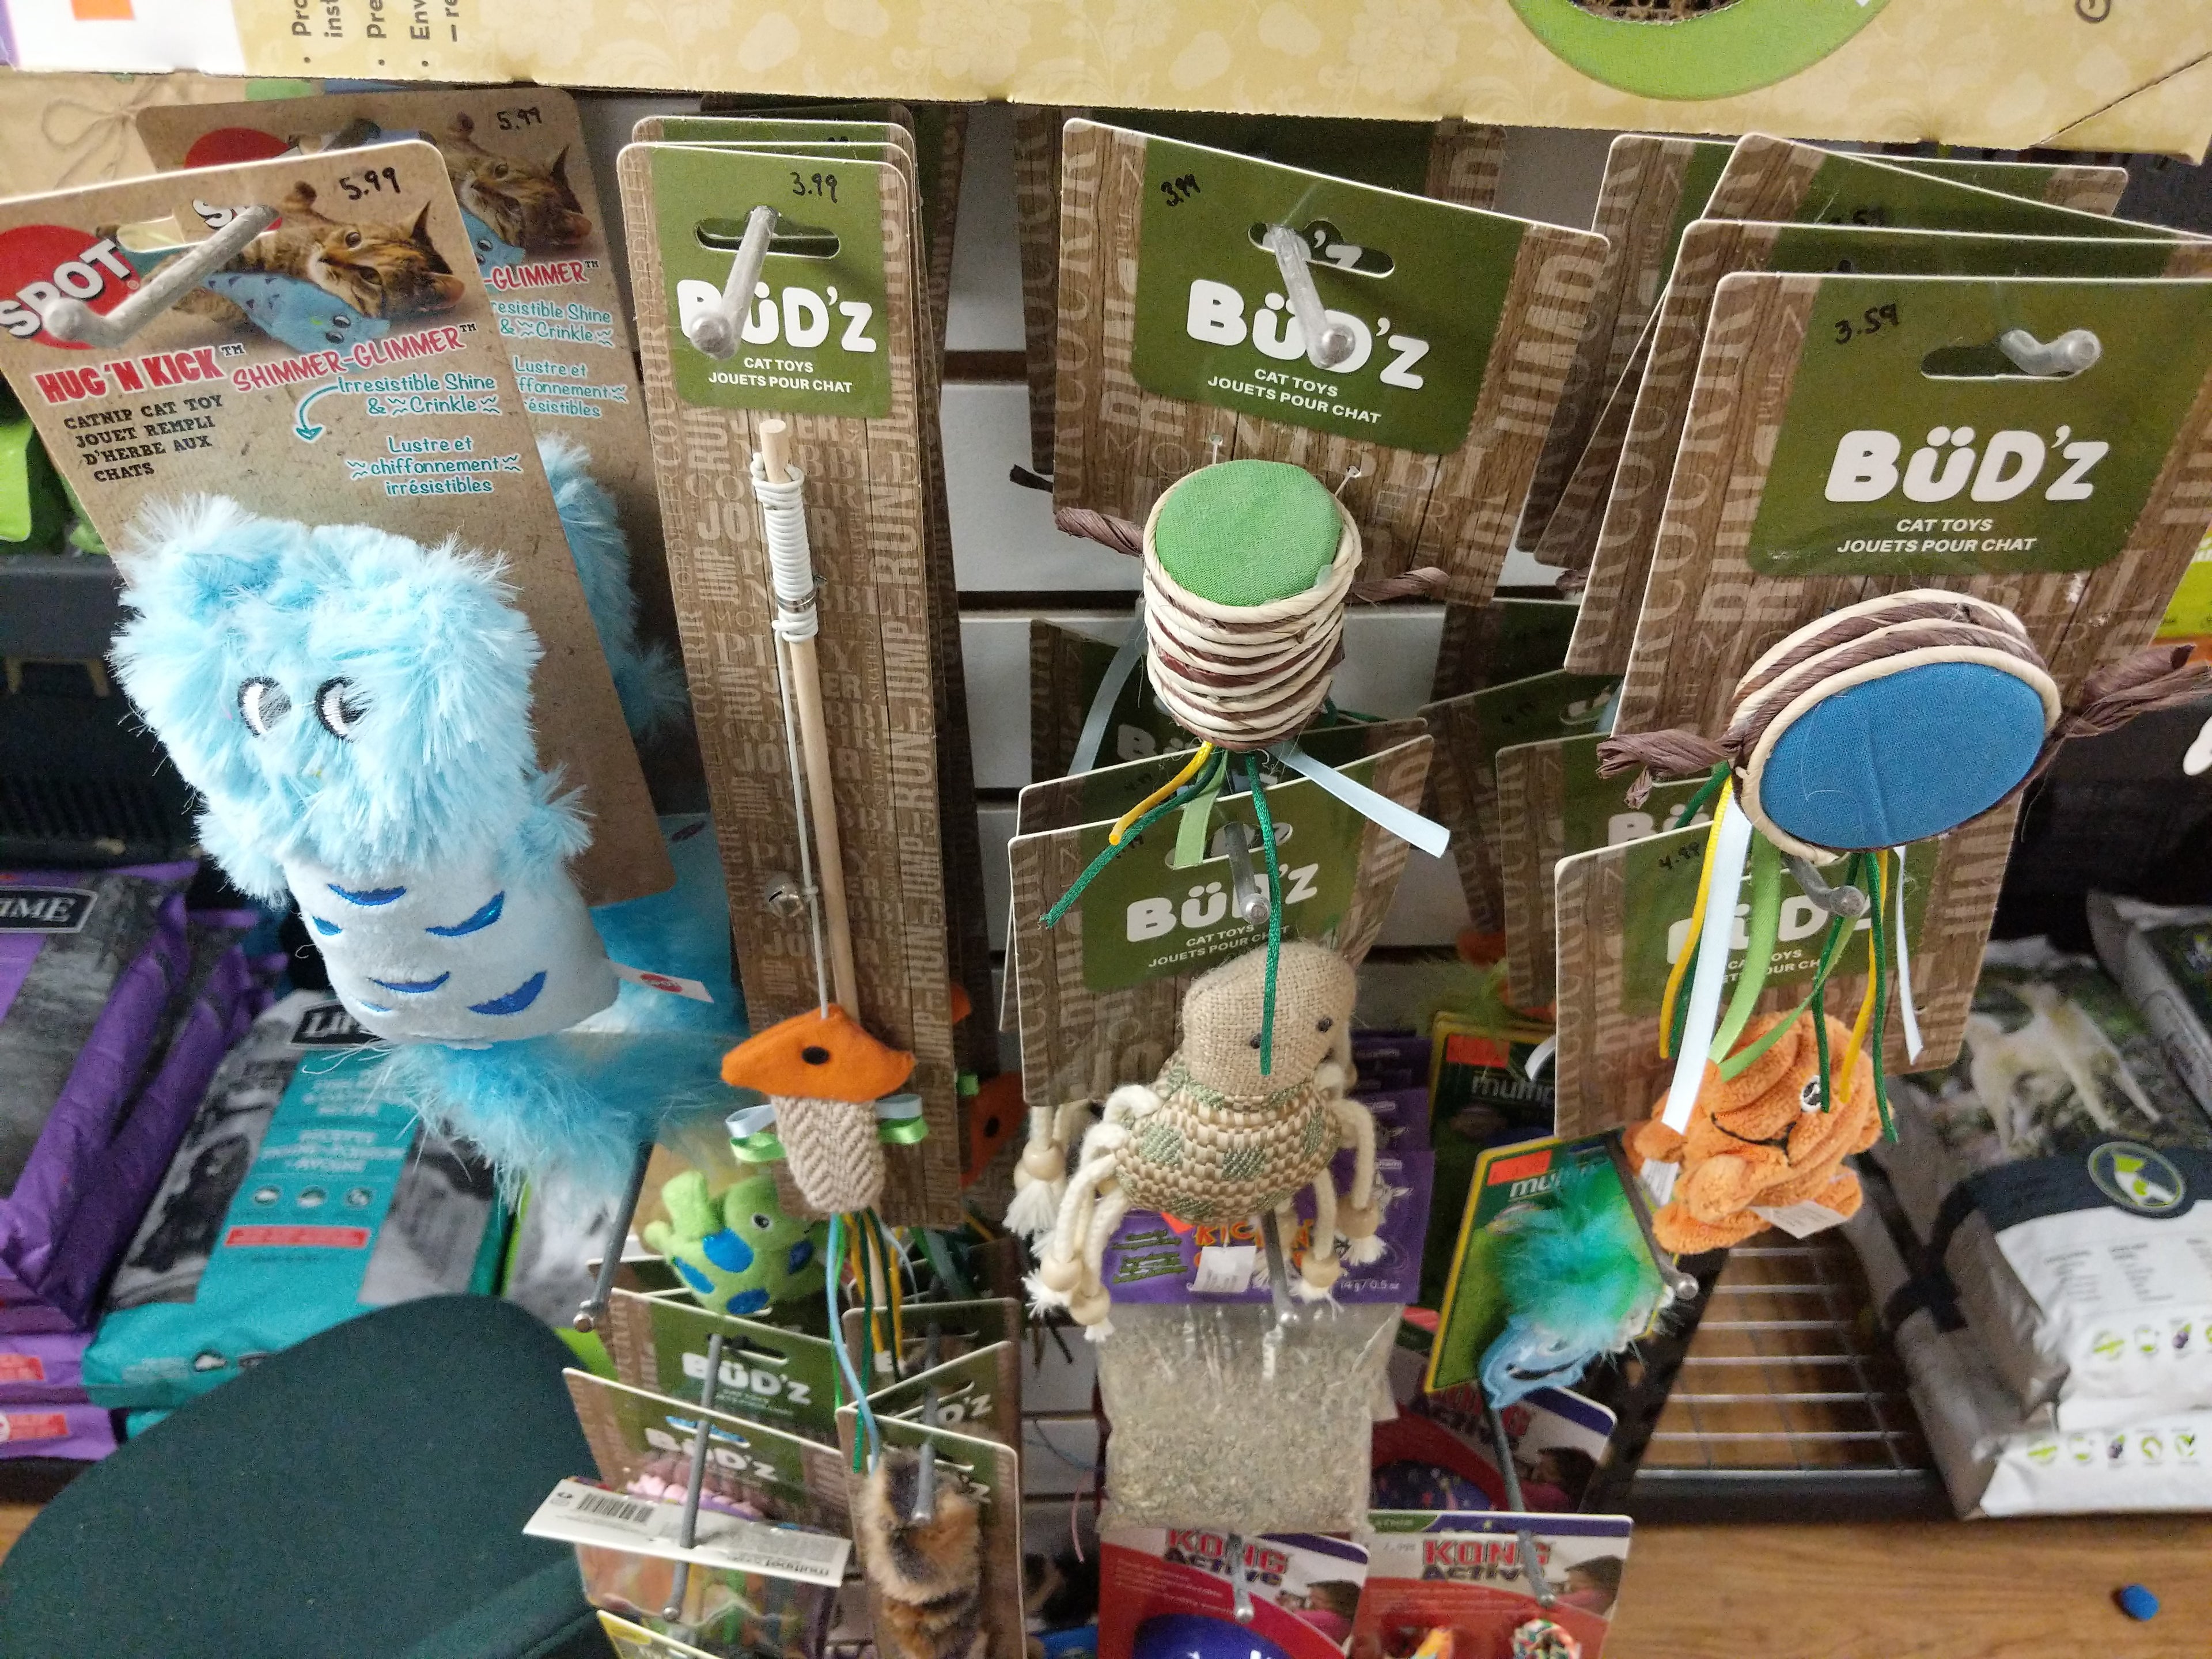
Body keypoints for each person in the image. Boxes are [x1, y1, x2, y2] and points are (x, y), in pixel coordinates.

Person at [1556, 1555, 1622, 1616]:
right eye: (1569, 1581)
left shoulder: (1597, 1594)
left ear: (1600, 1584)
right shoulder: (1601, 1594)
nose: (1572, 1585)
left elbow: (1560, 1602)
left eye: (1582, 1582)